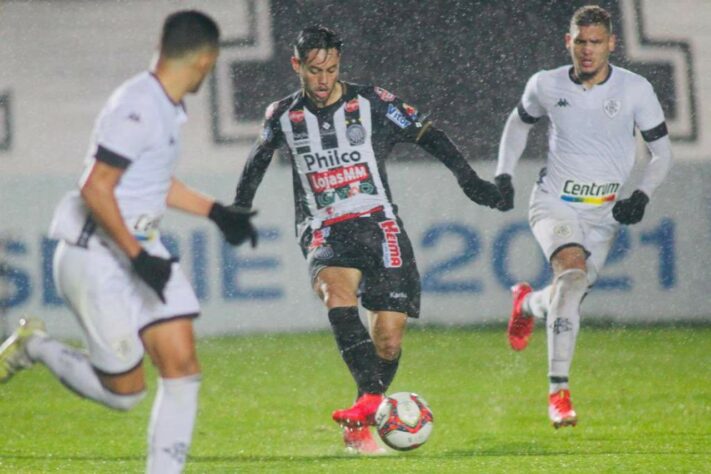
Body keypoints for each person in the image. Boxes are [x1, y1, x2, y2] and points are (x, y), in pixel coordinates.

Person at [0, 10, 256, 473]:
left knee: (182, 368)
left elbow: (150, 182)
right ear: (206, 58)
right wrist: (137, 258)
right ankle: (33, 346)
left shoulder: (163, 105)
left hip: (140, 247)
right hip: (94, 255)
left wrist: (216, 212)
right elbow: (95, 186)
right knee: (126, 395)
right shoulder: (137, 105)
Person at [230, 25, 502, 453]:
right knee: (334, 289)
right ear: (296, 65)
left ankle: (362, 411)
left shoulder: (373, 102)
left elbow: (428, 133)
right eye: (314, 70)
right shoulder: (282, 115)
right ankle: (375, 400)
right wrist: (240, 210)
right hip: (325, 228)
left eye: (332, 70)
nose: (323, 80)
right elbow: (256, 161)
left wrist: (469, 180)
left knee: (389, 340)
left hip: (381, 226)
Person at [495, 5, 672, 428]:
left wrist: (642, 195)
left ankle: (528, 303)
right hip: (554, 203)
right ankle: (558, 394)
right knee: (572, 277)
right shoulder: (546, 83)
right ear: (568, 42)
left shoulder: (635, 89)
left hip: (605, 214)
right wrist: (503, 175)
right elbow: (518, 123)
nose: (587, 51)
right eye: (580, 42)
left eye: (596, 42)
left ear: (612, 44)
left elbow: (662, 152)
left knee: (565, 294)